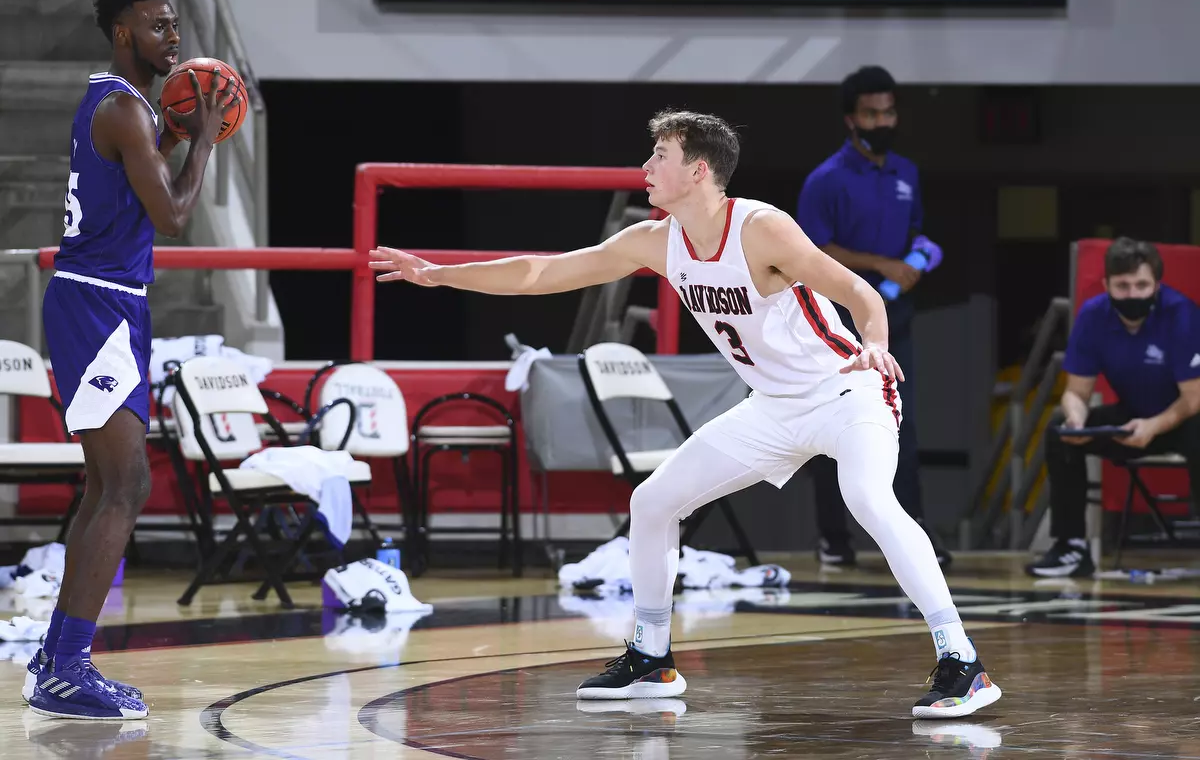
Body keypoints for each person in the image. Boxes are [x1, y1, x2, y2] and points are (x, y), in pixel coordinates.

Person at [370, 109, 1002, 718]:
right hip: (773, 408)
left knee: (866, 497)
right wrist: (441, 275)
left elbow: (860, 292)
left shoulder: (762, 228)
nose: (645, 166)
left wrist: (877, 345)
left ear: (699, 170)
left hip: (846, 389)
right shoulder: (654, 240)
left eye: (660, 155)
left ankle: (962, 662)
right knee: (652, 501)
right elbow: (543, 273)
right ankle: (651, 658)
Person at [24, 0, 236, 720]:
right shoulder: (122, 109)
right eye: (156, 26)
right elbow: (175, 215)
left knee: (106, 488)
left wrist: (177, 133)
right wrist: (202, 143)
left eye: (174, 25)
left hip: (106, 304)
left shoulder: (125, 106)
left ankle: (55, 658)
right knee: (127, 488)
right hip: (98, 306)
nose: (171, 37)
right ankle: (67, 668)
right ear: (123, 34)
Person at [796, 65, 950, 568]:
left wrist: (915, 261)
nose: (882, 120)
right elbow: (812, 250)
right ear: (851, 118)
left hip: (894, 315)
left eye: (888, 111)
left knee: (900, 420)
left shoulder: (907, 173)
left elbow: (920, 236)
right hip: (836, 318)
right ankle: (832, 537)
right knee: (833, 419)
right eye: (871, 113)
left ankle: (911, 537)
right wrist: (883, 265)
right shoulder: (826, 179)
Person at [1026, 238, 1200, 578]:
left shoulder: (1182, 314)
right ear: (1107, 285)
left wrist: (1153, 426)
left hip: (1183, 417)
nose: (1133, 294)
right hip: (1132, 415)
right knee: (1059, 429)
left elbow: (1193, 397)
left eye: (1141, 285)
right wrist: (1077, 418)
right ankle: (1071, 547)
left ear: (1156, 286)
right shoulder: (1092, 316)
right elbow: (1076, 391)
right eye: (1123, 286)